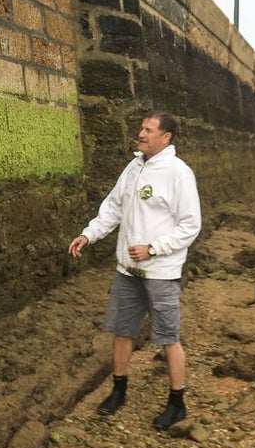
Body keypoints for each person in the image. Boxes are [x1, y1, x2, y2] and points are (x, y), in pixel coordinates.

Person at [68, 111, 202, 430]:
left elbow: (190, 225)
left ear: (166, 137)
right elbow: (113, 208)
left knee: (168, 337)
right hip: (127, 270)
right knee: (122, 331)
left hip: (161, 272)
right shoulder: (134, 167)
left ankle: (177, 403)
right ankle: (119, 390)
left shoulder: (178, 173)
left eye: (148, 130)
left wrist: (153, 248)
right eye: (141, 128)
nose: (141, 134)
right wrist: (89, 234)